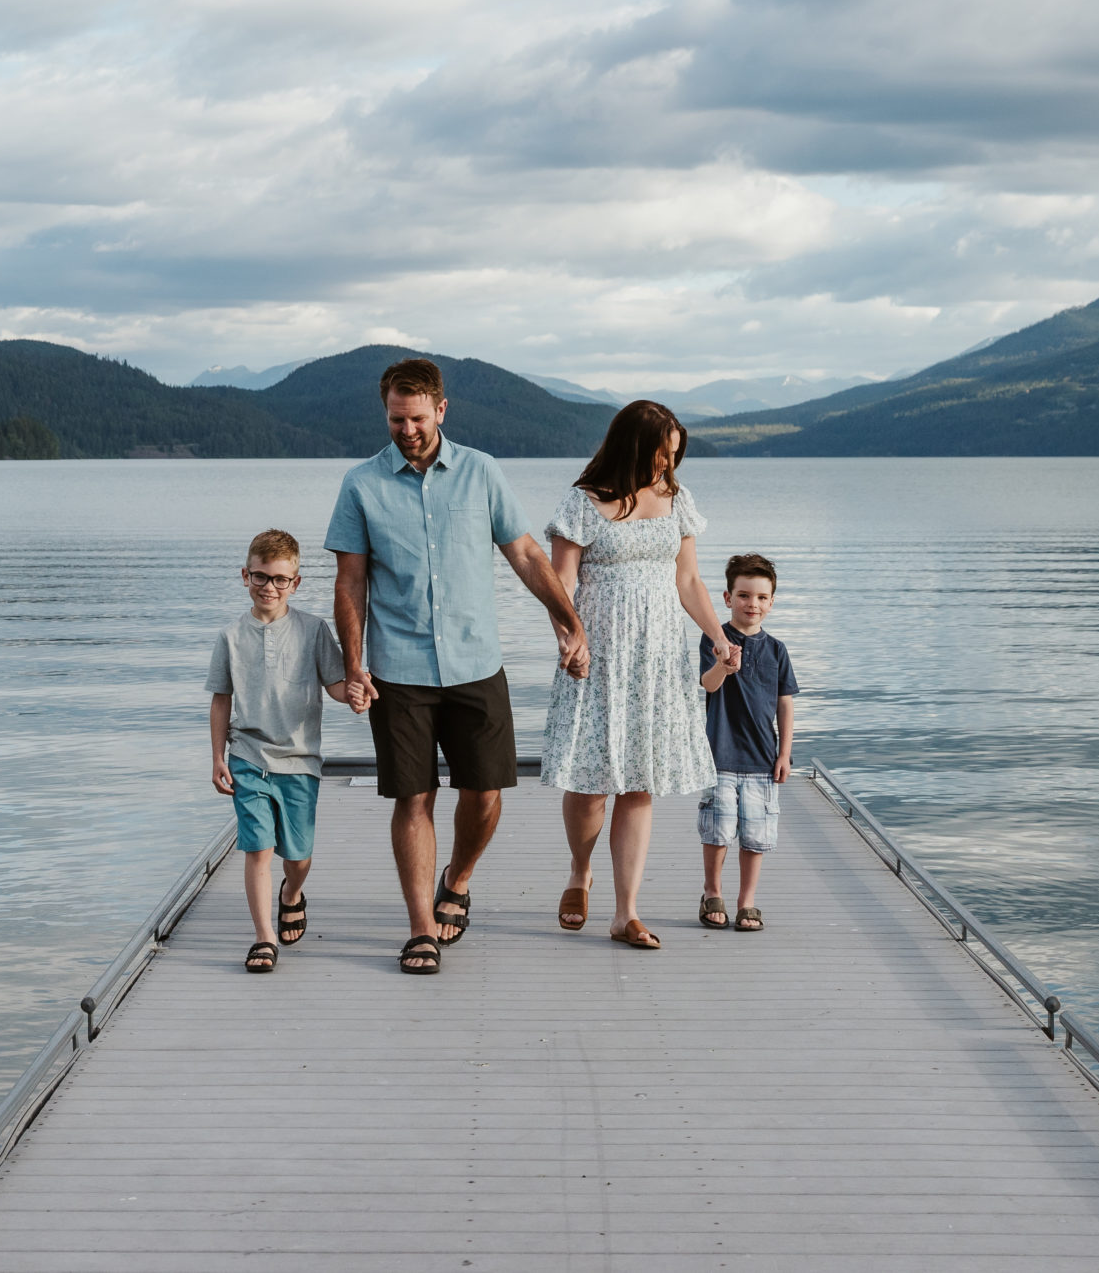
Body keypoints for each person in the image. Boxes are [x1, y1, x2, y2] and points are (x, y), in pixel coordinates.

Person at [328, 357, 590, 978]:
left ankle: (459, 878)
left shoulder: (481, 472)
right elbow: (349, 583)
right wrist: (354, 665)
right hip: (399, 668)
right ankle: (420, 928)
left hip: (477, 663)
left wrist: (569, 619)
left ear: (442, 410)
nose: (408, 430)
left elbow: (526, 553)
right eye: (397, 419)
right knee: (412, 797)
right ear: (385, 412)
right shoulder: (361, 484)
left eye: (418, 418)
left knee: (485, 792)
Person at [538, 400, 738, 950]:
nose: (665, 465)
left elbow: (690, 582)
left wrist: (720, 638)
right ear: (632, 446)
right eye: (658, 453)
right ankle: (581, 871)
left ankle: (625, 913)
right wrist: (569, 640)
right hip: (598, 651)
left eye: (672, 456)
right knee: (590, 780)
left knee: (641, 780)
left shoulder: (677, 500)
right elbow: (559, 584)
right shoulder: (582, 503)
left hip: (659, 657)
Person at [207, 528, 349, 974]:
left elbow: (337, 685)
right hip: (248, 756)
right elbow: (221, 699)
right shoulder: (230, 636)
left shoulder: (313, 630)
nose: (270, 587)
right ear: (244, 575)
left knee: (298, 856)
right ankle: (264, 937)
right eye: (261, 577)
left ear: (296, 582)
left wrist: (359, 693)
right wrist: (216, 758)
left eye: (280, 579)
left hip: (300, 760)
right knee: (258, 849)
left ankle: (291, 894)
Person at [696, 553, 798, 934]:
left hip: (761, 759)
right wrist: (723, 664)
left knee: (755, 836)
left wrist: (784, 754)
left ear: (771, 603)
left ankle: (747, 901)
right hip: (718, 755)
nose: (751, 604)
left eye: (760, 597)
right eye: (743, 595)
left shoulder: (777, 650)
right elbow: (707, 684)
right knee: (717, 830)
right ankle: (712, 892)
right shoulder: (714, 639)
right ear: (727, 598)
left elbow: (784, 704)